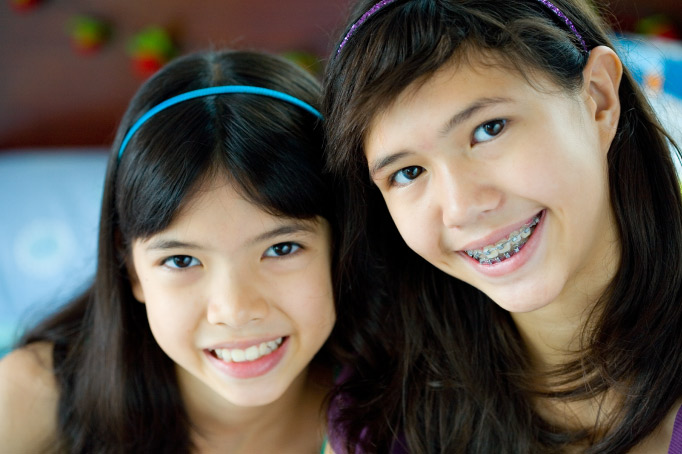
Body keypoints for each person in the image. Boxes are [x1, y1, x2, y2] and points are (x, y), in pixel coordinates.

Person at [322, 0, 682, 452]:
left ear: (598, 99)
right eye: (408, 173)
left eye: (489, 129)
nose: (461, 207)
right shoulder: (384, 425)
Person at [0, 49, 338, 453]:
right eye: (181, 260)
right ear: (132, 269)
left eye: (282, 248)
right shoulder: (36, 395)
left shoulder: (403, 408)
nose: (234, 309)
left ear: (343, 245)